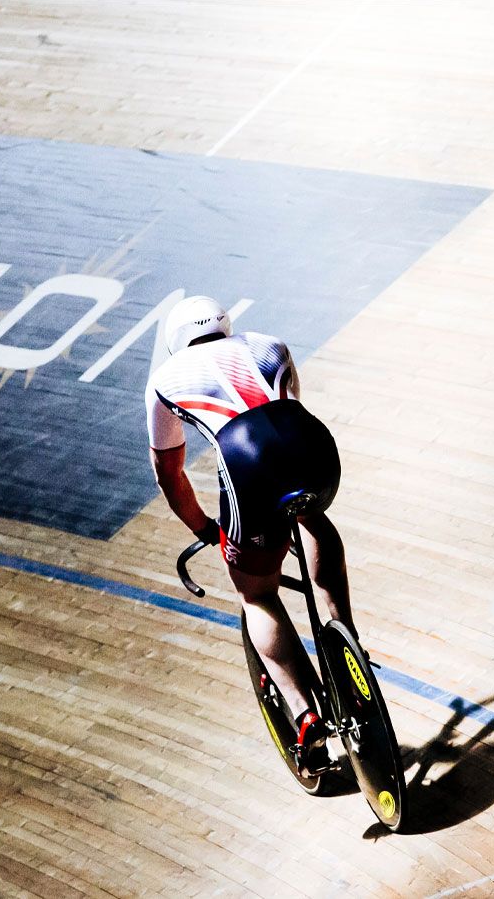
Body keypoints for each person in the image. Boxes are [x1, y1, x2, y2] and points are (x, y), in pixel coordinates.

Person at [145, 295, 357, 774]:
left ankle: (305, 717)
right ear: (226, 325)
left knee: (257, 594)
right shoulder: (268, 344)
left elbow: (169, 474)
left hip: (248, 462)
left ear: (175, 342)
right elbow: (289, 409)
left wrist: (205, 527)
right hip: (312, 446)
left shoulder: (165, 380)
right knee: (311, 515)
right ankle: (347, 640)